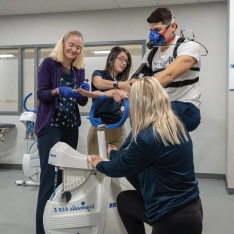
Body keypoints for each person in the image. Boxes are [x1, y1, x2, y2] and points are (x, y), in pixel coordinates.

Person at [88, 76, 203, 234]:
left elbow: (122, 167)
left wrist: (100, 164)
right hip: (192, 208)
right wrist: (114, 153)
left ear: (139, 104)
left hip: (172, 218)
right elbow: (133, 158)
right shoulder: (175, 125)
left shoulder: (148, 137)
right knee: (125, 200)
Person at [35, 30, 90, 234]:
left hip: (70, 128)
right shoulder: (49, 64)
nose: (74, 50)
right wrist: (58, 91)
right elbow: (41, 94)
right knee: (49, 182)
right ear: (63, 43)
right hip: (50, 128)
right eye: (71, 45)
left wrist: (84, 90)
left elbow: (82, 101)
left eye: (78, 47)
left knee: (67, 181)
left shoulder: (78, 68)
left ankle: (61, 226)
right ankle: (42, 230)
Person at [131, 8, 201, 132]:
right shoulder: (151, 54)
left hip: (186, 107)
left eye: (157, 30)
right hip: (161, 107)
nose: (153, 34)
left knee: (149, 128)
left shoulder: (188, 47)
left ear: (173, 26)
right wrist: (117, 92)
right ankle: (118, 152)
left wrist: (135, 90)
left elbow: (168, 75)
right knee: (137, 125)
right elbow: (136, 80)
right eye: (151, 31)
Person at [85, 46, 132, 155]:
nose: (124, 63)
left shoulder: (122, 82)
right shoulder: (99, 74)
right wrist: (118, 86)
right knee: (97, 166)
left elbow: (122, 102)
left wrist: (124, 109)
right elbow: (98, 83)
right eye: (121, 58)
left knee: (118, 165)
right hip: (99, 128)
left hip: (118, 130)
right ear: (112, 58)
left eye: (126, 61)